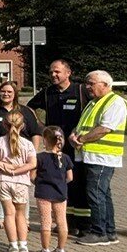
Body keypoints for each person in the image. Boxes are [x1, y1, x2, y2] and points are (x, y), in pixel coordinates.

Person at [28, 59, 91, 234]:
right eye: (51, 72)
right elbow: (29, 108)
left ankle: (85, 225)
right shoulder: (47, 93)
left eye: (57, 72)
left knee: (79, 183)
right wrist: (42, 128)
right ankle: (66, 224)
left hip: (77, 146)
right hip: (56, 149)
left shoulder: (80, 91)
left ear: (68, 73)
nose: (53, 75)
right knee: (62, 185)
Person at [71, 70, 127, 246]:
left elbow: (105, 128)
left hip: (103, 156)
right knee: (103, 194)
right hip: (90, 155)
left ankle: (99, 232)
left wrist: (80, 139)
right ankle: (109, 232)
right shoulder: (93, 103)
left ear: (105, 85)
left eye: (91, 83)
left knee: (95, 193)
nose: (87, 87)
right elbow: (82, 125)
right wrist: (73, 135)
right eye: (87, 83)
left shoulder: (115, 102)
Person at [0, 80, 43, 231]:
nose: (5, 94)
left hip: (21, 157)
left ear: (15, 94)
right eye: (3, 91)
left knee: (21, 187)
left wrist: (32, 153)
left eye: (9, 92)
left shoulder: (25, 111)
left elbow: (35, 133)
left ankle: (24, 221)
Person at [0, 110, 37, 252]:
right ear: (22, 126)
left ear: (4, 125)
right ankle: (23, 246)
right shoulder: (28, 144)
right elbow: (32, 163)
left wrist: (6, 167)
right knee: (21, 215)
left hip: (3, 180)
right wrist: (17, 170)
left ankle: (13, 246)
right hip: (21, 182)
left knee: (8, 214)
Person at [36, 126, 73, 252]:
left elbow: (32, 176)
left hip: (43, 193)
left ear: (45, 140)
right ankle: (61, 250)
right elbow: (70, 177)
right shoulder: (66, 158)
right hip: (60, 193)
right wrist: (61, 184)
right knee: (62, 221)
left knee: (46, 222)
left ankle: (45, 250)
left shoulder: (40, 157)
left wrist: (38, 182)